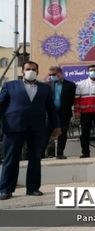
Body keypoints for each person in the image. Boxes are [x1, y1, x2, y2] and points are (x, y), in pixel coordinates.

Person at [0, 61, 60, 200]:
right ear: (23, 71)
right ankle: (5, 189)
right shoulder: (10, 85)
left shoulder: (45, 88)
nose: (30, 71)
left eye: (33, 69)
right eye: (28, 69)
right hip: (14, 127)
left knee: (35, 159)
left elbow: (51, 109)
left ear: (37, 72)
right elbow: (1, 104)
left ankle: (33, 188)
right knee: (10, 159)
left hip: (37, 128)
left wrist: (56, 126)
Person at [44, 66, 76, 159]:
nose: (51, 76)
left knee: (62, 134)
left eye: (53, 74)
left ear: (60, 73)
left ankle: (60, 153)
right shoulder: (47, 85)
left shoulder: (70, 85)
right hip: (50, 114)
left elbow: (72, 100)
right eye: (50, 75)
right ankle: (40, 153)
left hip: (64, 114)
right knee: (46, 133)